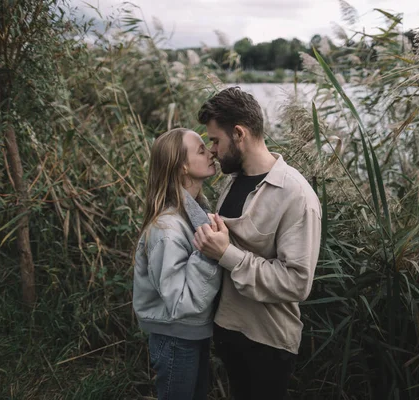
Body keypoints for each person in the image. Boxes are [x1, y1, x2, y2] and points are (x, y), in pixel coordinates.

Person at [193, 87, 322, 400]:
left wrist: (226, 254)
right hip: (228, 329)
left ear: (239, 134)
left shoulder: (295, 195)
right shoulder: (232, 180)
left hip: (267, 342)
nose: (212, 150)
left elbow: (296, 282)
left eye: (215, 140)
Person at [132, 128, 222, 400]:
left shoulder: (195, 215)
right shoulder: (168, 229)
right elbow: (180, 302)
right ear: (183, 166)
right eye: (201, 150)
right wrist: (208, 251)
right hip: (175, 339)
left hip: (192, 334)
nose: (211, 152)